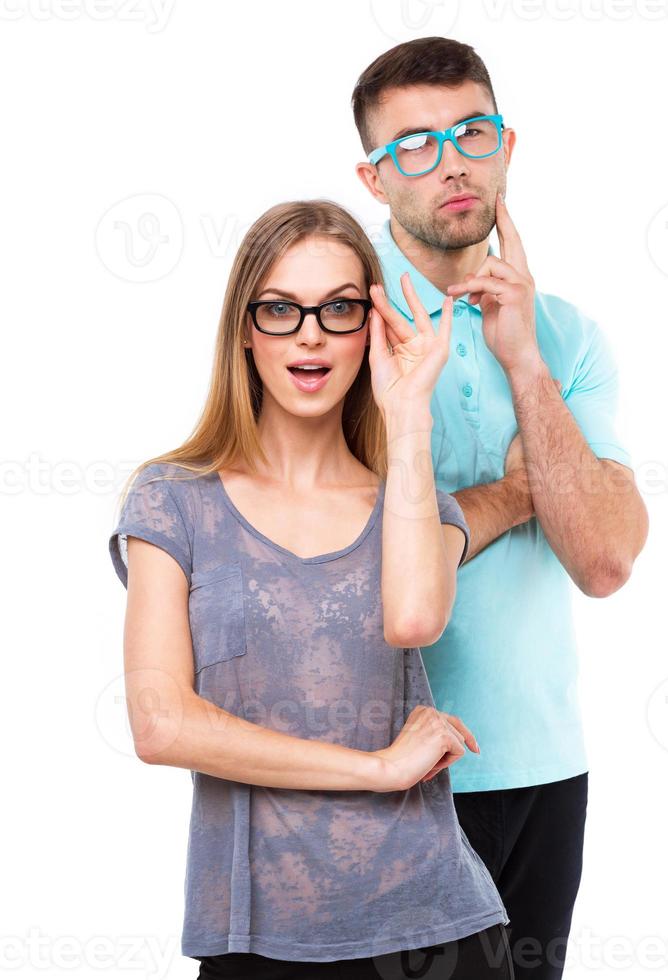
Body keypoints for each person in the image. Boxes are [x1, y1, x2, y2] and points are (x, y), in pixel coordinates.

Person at [108, 199, 516, 979]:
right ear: (244, 330)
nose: (309, 334)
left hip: (436, 932)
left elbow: (414, 618)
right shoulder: (173, 500)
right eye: (281, 309)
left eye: (338, 308)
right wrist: (376, 769)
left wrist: (408, 414)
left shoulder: (416, 502)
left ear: (374, 325)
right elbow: (160, 724)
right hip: (258, 939)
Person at [352, 37, 649, 980]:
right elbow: (338, 559)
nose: (450, 161)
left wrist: (524, 361)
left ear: (507, 148)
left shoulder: (566, 335)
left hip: (545, 770)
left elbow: (604, 559)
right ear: (373, 176)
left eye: (471, 132)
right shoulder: (338, 328)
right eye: (415, 144)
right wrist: (526, 491)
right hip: (388, 773)